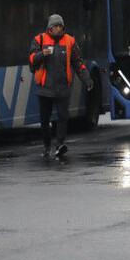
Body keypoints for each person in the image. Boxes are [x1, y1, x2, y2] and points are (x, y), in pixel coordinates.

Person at [29, 14, 90, 159]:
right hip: (45, 89)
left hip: (63, 87)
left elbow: (78, 62)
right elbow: (31, 59)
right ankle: (46, 146)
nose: (58, 29)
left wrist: (87, 80)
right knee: (45, 119)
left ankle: (60, 145)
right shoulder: (39, 40)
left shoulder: (70, 41)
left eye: (60, 26)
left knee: (63, 117)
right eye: (55, 26)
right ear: (50, 28)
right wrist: (42, 54)